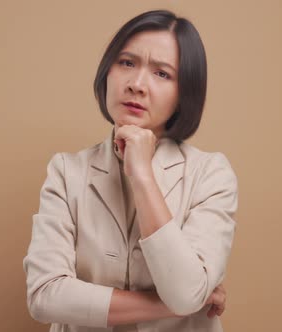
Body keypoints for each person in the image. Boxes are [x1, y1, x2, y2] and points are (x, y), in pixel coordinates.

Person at [23, 9, 238, 332]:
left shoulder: (211, 174)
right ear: (106, 72)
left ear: (184, 93)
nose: (137, 84)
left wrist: (142, 175)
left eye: (162, 74)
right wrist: (189, 300)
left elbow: (184, 293)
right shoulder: (66, 171)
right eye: (127, 62)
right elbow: (44, 296)